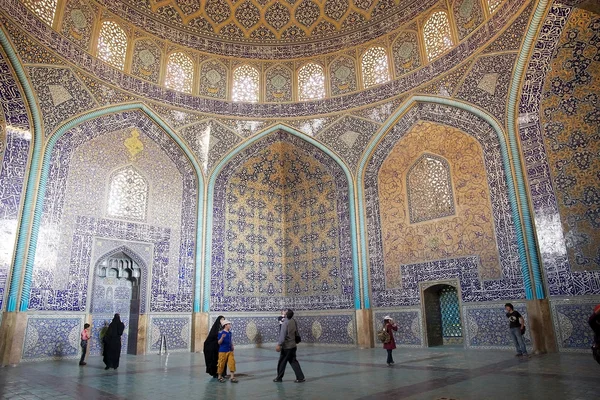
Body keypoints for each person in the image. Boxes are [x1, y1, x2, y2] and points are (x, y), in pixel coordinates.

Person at [273, 309, 305, 383]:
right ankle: (300, 378)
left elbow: (282, 335)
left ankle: (279, 378)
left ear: (286, 315)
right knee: (293, 361)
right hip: (293, 346)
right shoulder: (293, 321)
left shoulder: (285, 323)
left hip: (287, 347)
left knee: (282, 362)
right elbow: (296, 332)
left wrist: (279, 344)